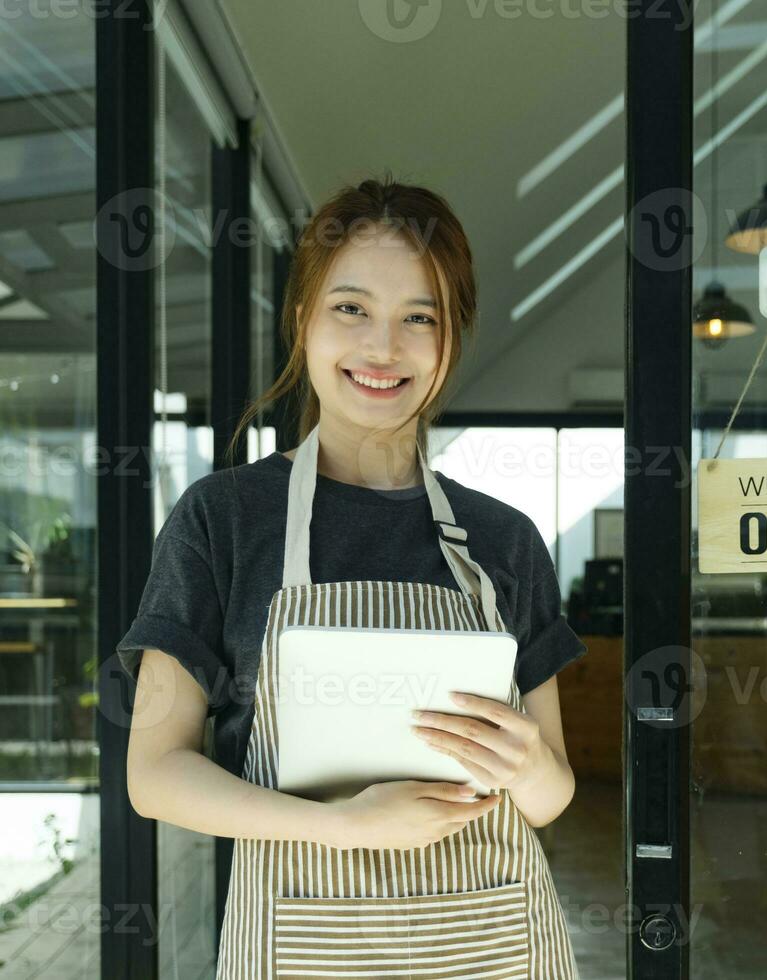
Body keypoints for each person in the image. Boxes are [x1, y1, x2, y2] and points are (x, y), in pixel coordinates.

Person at [118, 175, 585, 977]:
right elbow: (154, 776)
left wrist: (531, 766)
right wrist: (348, 826)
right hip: (302, 940)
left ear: (450, 338)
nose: (383, 347)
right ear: (303, 320)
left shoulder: (504, 540)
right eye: (351, 309)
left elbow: (549, 800)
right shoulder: (222, 521)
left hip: (490, 939)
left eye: (420, 318)